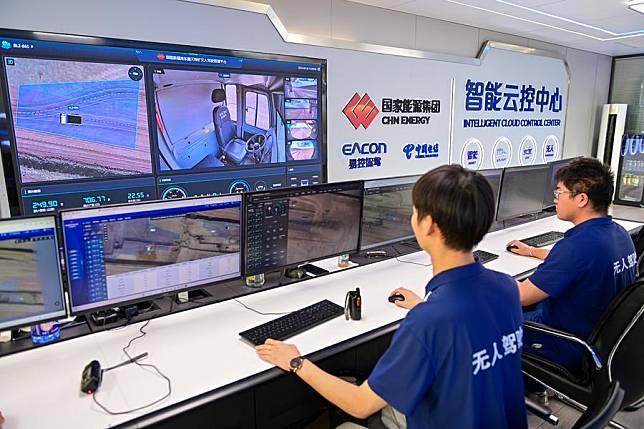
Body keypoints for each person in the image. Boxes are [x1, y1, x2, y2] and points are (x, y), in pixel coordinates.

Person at [256, 165, 527, 429]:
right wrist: (425, 307)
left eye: (415, 211)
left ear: (429, 224)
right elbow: (467, 330)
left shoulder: (429, 322)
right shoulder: (505, 287)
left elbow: (361, 404)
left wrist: (295, 361)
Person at [507, 157, 637, 374]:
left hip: (566, 341)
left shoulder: (577, 247)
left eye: (559, 192)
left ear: (581, 199)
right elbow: (580, 264)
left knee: (491, 315)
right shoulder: (618, 234)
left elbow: (521, 296)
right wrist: (531, 251)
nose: (555, 199)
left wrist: (479, 279)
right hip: (604, 340)